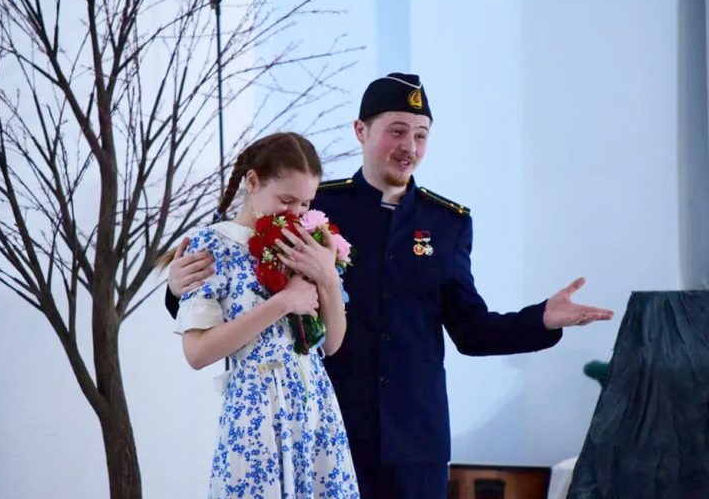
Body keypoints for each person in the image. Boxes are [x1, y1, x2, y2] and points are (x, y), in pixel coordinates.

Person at [164, 74, 614, 499]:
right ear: (361, 131)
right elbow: (240, 287)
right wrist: (176, 288)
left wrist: (541, 319)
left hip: (416, 438)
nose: (409, 147)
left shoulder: (447, 223)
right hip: (328, 426)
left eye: (421, 135)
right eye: (397, 131)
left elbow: (471, 330)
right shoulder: (314, 207)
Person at [161, 132, 360, 498]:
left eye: (305, 203)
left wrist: (328, 278)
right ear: (252, 182)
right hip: (257, 410)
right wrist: (283, 302)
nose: (295, 213)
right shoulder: (213, 245)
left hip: (315, 406)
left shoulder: (304, 242)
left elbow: (331, 344)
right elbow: (197, 353)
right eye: (286, 200)